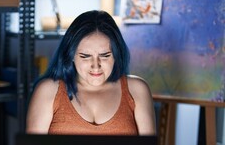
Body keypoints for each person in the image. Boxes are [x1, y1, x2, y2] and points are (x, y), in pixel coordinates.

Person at [26, 10, 156, 135]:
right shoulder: (48, 91)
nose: (96, 66)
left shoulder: (137, 90)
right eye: (85, 56)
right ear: (71, 55)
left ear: (116, 55)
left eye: (105, 55)